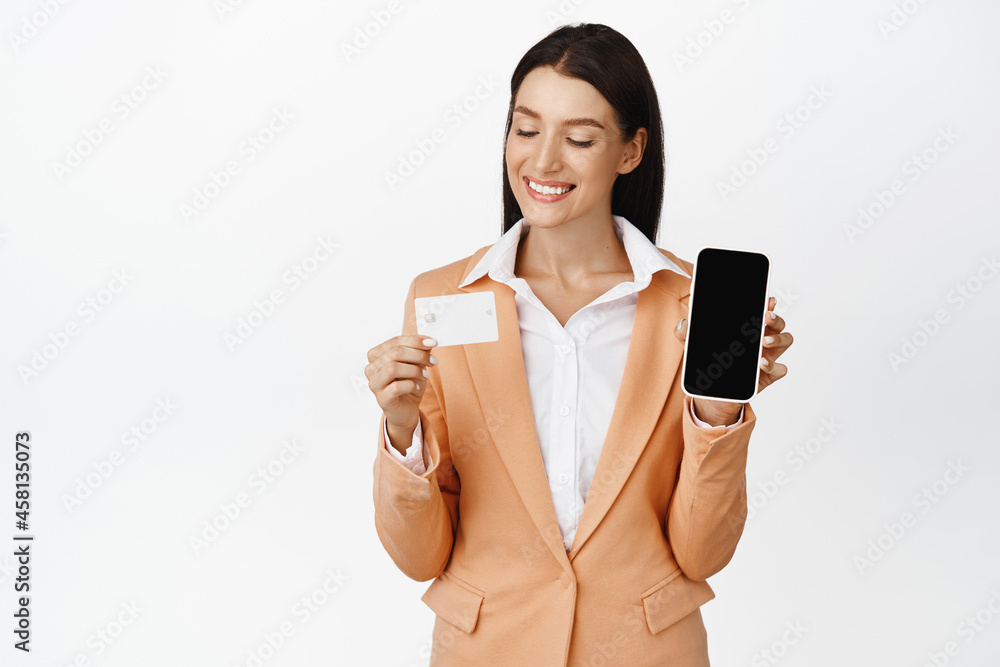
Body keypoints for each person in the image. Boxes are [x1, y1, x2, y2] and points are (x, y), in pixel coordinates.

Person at [366, 22, 793, 666]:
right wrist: (403, 432)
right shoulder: (444, 299)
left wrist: (716, 411)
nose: (542, 162)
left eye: (580, 138)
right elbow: (418, 557)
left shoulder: (689, 306)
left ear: (630, 151)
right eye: (526, 129)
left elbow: (702, 553)